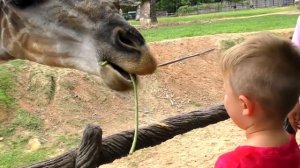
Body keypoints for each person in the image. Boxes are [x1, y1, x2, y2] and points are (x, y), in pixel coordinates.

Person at [215, 33, 300, 168]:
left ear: (245, 105)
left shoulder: (233, 163)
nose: (224, 98)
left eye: (226, 92)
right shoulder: (291, 145)